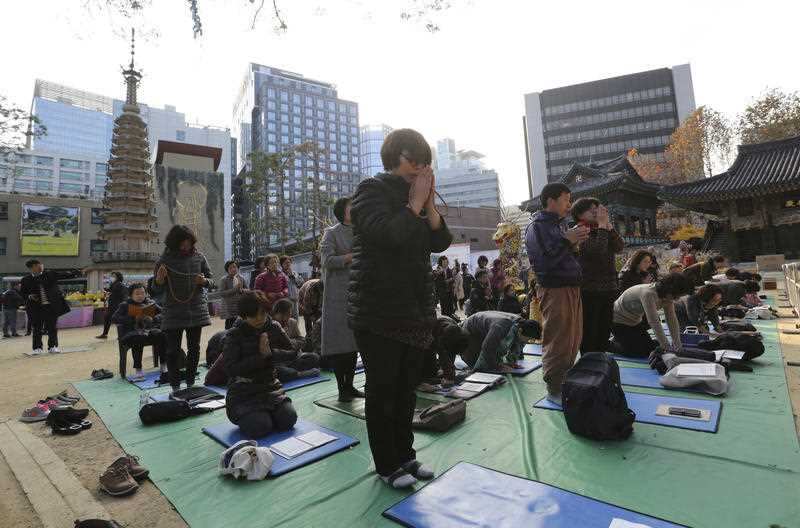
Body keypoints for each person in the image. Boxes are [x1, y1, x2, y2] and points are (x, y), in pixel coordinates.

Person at [349, 128, 453, 489]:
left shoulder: (418, 196)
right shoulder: (369, 191)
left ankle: (406, 456)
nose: (420, 166)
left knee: (407, 389)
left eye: (425, 161)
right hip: (377, 309)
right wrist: (414, 203)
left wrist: (428, 206)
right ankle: (387, 465)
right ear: (394, 158)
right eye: (415, 159)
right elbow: (388, 234)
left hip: (415, 308)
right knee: (382, 391)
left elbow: (440, 241)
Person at [525, 182, 588, 404]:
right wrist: (567, 241)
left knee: (573, 337)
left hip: (570, 287)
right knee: (559, 338)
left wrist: (571, 242)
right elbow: (544, 262)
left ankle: (565, 380)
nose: (568, 205)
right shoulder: (537, 226)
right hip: (555, 288)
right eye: (565, 200)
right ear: (551, 200)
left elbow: (559, 253)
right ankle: (555, 385)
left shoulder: (558, 225)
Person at [223, 292, 298, 438]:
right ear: (244, 316)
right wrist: (261, 356)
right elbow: (230, 369)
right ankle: (259, 417)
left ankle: (269, 414)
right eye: (253, 316)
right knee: (260, 427)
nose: (259, 319)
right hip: (243, 393)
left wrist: (271, 353)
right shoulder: (234, 335)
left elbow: (292, 351)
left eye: (263, 313)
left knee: (289, 419)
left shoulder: (273, 327)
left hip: (271, 388)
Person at [151, 225, 215, 393]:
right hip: (173, 311)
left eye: (188, 242)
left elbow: (212, 281)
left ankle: (191, 382)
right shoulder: (163, 261)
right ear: (174, 243)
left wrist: (205, 282)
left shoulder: (199, 258)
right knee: (172, 350)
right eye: (182, 243)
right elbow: (155, 290)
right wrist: (158, 279)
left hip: (196, 310)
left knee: (194, 348)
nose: (186, 246)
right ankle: (174, 385)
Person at [320, 196, 363, 402]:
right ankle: (341, 388)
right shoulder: (331, 233)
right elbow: (327, 260)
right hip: (337, 296)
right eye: (350, 206)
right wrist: (349, 257)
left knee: (354, 343)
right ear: (342, 212)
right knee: (340, 345)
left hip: (358, 293)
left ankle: (351, 386)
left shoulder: (361, 231)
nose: (354, 209)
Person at [571, 197, 625, 354]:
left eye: (597, 208)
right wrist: (602, 226)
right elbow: (597, 251)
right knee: (590, 331)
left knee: (604, 330)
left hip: (609, 288)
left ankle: (600, 363)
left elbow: (619, 247)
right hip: (589, 289)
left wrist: (609, 228)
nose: (596, 211)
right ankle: (588, 363)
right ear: (580, 215)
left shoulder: (602, 229)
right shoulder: (579, 230)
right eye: (590, 209)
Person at [610, 273, 693, 358]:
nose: (677, 299)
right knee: (636, 352)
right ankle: (607, 344)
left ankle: (621, 339)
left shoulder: (668, 298)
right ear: (670, 290)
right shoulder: (648, 294)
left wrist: (678, 345)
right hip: (617, 321)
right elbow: (654, 322)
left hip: (634, 322)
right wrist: (667, 347)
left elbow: (672, 320)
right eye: (676, 296)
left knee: (651, 348)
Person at [19, 260, 79, 355]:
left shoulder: (49, 274)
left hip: (50, 306)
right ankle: (37, 348)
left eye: (40, 265)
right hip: (36, 308)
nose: (40, 266)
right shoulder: (25, 280)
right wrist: (30, 296)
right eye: (37, 265)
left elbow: (63, 275)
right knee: (37, 328)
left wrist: (76, 272)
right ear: (31, 268)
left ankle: (53, 346)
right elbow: (22, 293)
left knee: (52, 327)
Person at [111, 283, 165, 380]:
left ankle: (163, 364)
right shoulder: (125, 305)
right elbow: (114, 318)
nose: (140, 296)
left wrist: (155, 318)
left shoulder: (150, 303)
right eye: (137, 294)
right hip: (131, 332)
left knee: (162, 335)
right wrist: (132, 318)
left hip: (149, 330)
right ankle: (138, 369)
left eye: (142, 293)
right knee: (138, 338)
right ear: (131, 295)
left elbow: (163, 313)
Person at [460, 311, 541, 372]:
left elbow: (517, 345)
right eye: (529, 338)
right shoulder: (502, 326)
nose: (529, 341)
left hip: (485, 329)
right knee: (479, 366)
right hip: (471, 330)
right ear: (520, 331)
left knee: (492, 359)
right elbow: (487, 348)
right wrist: (498, 366)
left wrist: (511, 363)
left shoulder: (521, 324)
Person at [420, 316, 469, 387]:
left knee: (442, 370)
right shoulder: (427, 332)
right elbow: (443, 353)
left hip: (440, 334)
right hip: (425, 342)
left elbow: (450, 354)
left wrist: (449, 374)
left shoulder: (455, 332)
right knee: (429, 372)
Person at [96, 272, 128, 339]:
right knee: (108, 319)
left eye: (113, 276)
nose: (112, 277)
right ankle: (106, 334)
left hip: (116, 306)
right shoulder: (114, 284)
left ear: (117, 277)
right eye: (111, 276)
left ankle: (120, 335)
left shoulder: (119, 284)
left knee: (115, 320)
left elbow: (122, 296)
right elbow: (111, 291)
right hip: (113, 305)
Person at [219, 260, 247, 329]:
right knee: (229, 328)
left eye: (235, 267)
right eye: (230, 268)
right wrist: (235, 289)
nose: (233, 269)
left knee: (240, 327)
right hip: (229, 309)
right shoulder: (224, 279)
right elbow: (222, 293)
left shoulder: (241, 278)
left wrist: (242, 290)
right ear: (227, 270)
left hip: (239, 307)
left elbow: (247, 290)